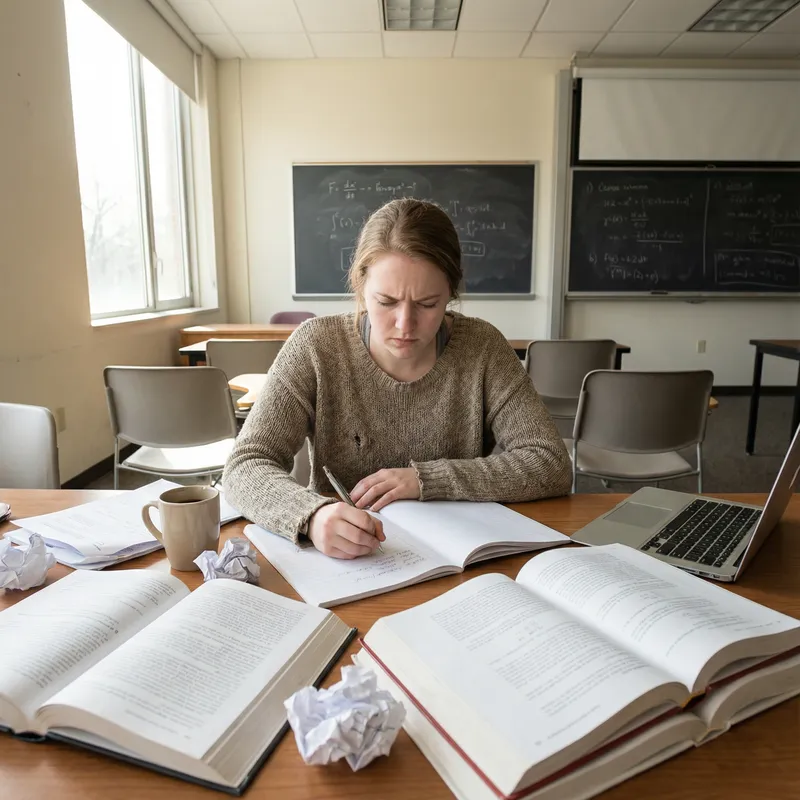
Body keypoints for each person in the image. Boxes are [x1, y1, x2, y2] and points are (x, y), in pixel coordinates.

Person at [222, 198, 572, 559]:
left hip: (458, 557)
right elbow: (245, 465)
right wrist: (312, 515)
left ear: (451, 293)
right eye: (386, 302)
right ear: (360, 286)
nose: (405, 325)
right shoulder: (316, 346)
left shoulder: (483, 348)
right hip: (344, 563)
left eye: (428, 304)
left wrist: (427, 480)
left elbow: (550, 463)